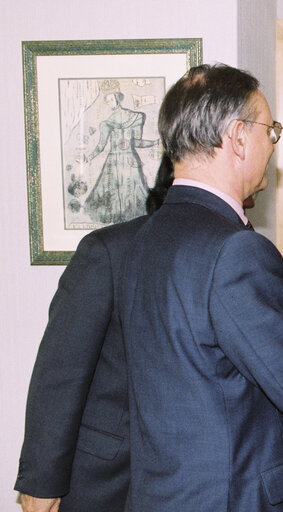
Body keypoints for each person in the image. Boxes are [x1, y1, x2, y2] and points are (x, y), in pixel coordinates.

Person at [117, 63, 283, 512]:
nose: (272, 144)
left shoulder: (142, 237)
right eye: (271, 130)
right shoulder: (234, 250)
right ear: (239, 138)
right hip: (239, 495)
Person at [14, 156, 175, 512]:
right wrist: (41, 482)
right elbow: (60, 373)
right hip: (112, 481)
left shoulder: (242, 254)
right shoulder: (110, 251)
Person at [82, 79, 159, 225]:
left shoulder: (135, 116)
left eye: (111, 99)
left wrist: (155, 142)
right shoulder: (107, 123)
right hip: (115, 163)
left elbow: (136, 142)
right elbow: (101, 146)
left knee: (131, 195)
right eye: (107, 100)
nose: (110, 103)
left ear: (117, 98)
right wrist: (88, 157)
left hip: (128, 161)